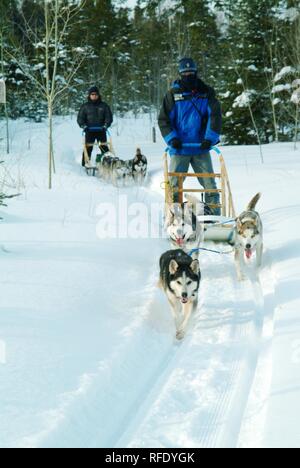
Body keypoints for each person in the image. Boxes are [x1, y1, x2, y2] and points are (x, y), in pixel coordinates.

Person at [158, 58, 222, 214]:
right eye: (185, 73)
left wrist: (209, 138)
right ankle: (173, 215)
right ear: (180, 74)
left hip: (201, 147)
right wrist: (172, 139)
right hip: (180, 148)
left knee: (210, 185)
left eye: (191, 72)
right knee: (174, 185)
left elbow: (215, 116)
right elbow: (164, 119)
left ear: (196, 73)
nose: (188, 75)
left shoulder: (206, 93)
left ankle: (214, 217)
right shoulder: (173, 94)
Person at [77, 86, 113, 167]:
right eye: (92, 94)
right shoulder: (85, 106)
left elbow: (109, 117)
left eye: (96, 94)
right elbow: (80, 118)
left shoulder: (104, 106)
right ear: (89, 95)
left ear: (98, 95)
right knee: (87, 149)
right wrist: (83, 126)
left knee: (104, 148)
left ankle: (108, 164)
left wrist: (106, 125)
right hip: (89, 131)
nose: (94, 96)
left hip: (101, 130)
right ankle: (84, 165)